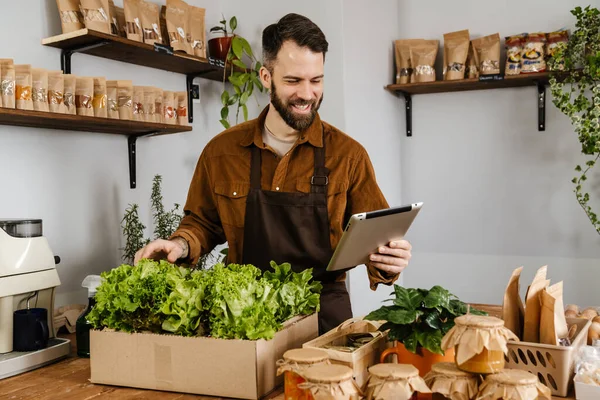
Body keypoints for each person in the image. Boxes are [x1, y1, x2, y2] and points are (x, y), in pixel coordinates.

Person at [134, 13, 412, 334]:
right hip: (241, 311)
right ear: (266, 77)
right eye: (293, 81)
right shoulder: (222, 151)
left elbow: (376, 241)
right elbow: (202, 224)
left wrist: (388, 260)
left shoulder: (348, 156)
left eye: (316, 80)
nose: (307, 94)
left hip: (323, 316)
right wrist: (180, 246)